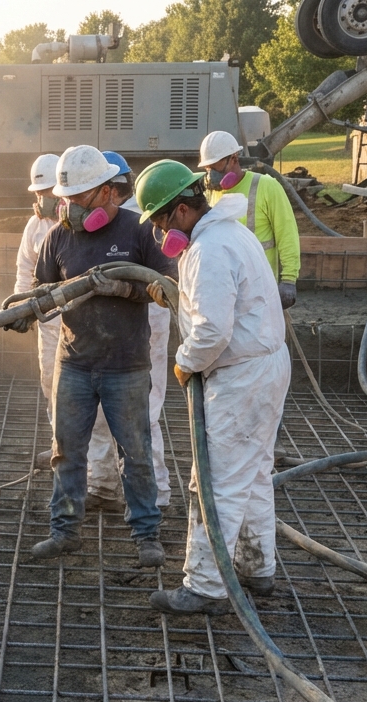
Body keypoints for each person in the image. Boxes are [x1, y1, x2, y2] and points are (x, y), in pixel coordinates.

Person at [134, 159, 291, 615]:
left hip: (241, 376)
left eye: (162, 221)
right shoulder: (231, 233)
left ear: (182, 210)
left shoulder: (210, 249)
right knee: (256, 473)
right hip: (265, 365)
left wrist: (184, 364)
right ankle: (256, 567)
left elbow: (211, 332)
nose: (162, 234)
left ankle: (205, 587)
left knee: (215, 481)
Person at [28, 145, 178, 565]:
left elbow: (168, 286)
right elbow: (44, 289)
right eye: (66, 198)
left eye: (79, 198)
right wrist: (29, 309)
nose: (70, 207)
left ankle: (146, 535)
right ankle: (65, 532)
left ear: (109, 192)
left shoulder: (139, 231)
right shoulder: (59, 236)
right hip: (73, 363)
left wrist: (126, 288)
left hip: (126, 366)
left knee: (136, 453)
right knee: (66, 451)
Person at [14, 154, 124, 508]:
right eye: (39, 191)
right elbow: (24, 275)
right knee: (56, 397)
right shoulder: (34, 229)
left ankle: (104, 481)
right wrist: (24, 311)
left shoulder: (83, 229)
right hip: (50, 330)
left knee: (99, 409)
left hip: (85, 329)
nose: (44, 198)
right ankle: (68, 459)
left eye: (49, 191)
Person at [104, 151, 173, 513]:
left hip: (146, 329)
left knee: (142, 413)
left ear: (111, 190)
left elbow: (163, 281)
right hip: (114, 335)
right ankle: (108, 486)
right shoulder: (111, 220)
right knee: (124, 413)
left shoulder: (140, 223)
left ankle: (154, 495)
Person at [198, 131, 301, 309]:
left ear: (234, 158)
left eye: (216, 167)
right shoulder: (210, 195)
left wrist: (289, 280)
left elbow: (287, 234)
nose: (212, 174)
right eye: (208, 169)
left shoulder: (266, 186)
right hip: (225, 291)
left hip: (261, 290)